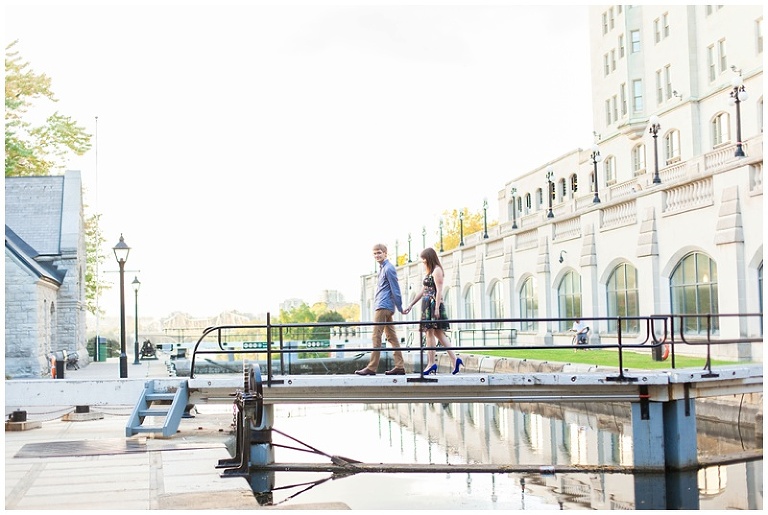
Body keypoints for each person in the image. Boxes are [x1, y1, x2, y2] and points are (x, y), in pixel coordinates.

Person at [403, 247, 463, 375]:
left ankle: (431, 363)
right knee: (438, 334)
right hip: (427, 305)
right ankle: (455, 359)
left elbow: (440, 290)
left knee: (430, 333)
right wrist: (411, 304)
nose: (423, 262)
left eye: (424, 260)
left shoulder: (437, 271)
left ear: (429, 258)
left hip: (433, 305)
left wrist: (436, 308)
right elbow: (423, 290)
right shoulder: (430, 271)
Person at [355, 243, 407, 376]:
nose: (377, 255)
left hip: (383, 307)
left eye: (379, 253)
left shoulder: (388, 268)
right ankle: (399, 366)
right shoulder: (383, 268)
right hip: (384, 306)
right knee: (392, 337)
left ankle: (372, 368)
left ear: (385, 253)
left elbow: (395, 289)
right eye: (375, 253)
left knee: (376, 336)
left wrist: (400, 307)